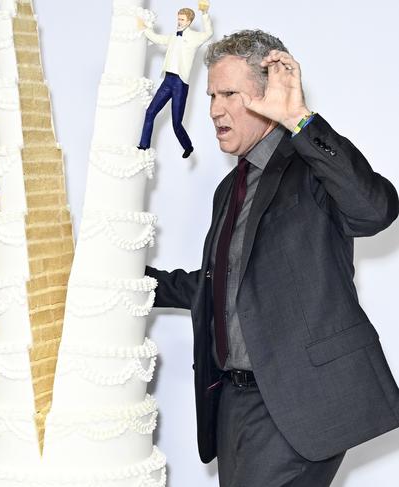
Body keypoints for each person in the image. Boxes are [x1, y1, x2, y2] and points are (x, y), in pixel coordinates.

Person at [146, 30, 399, 486]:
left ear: (266, 97)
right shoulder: (230, 188)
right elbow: (218, 281)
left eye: (229, 95)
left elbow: (375, 210)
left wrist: (300, 119)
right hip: (233, 401)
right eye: (211, 96)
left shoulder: (311, 167)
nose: (214, 110)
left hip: (298, 400)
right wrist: (126, 279)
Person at [137, 1, 213, 158]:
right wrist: (144, 27)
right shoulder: (173, 37)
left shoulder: (194, 38)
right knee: (150, 112)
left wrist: (205, 14)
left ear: (190, 21)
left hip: (180, 84)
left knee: (176, 123)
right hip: (167, 80)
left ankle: (188, 146)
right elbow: (157, 39)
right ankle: (144, 146)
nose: (179, 21)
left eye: (183, 19)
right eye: (178, 18)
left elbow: (209, 33)